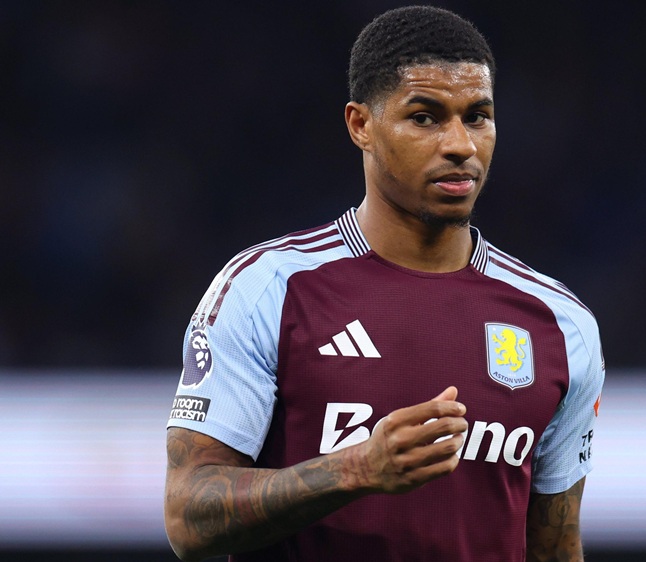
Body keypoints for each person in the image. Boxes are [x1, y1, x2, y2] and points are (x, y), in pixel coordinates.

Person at [164, 6, 604, 562]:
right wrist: (355, 469)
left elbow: (555, 547)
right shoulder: (268, 289)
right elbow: (188, 517)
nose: (461, 145)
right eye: (424, 117)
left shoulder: (561, 325)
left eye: (477, 117)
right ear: (361, 125)